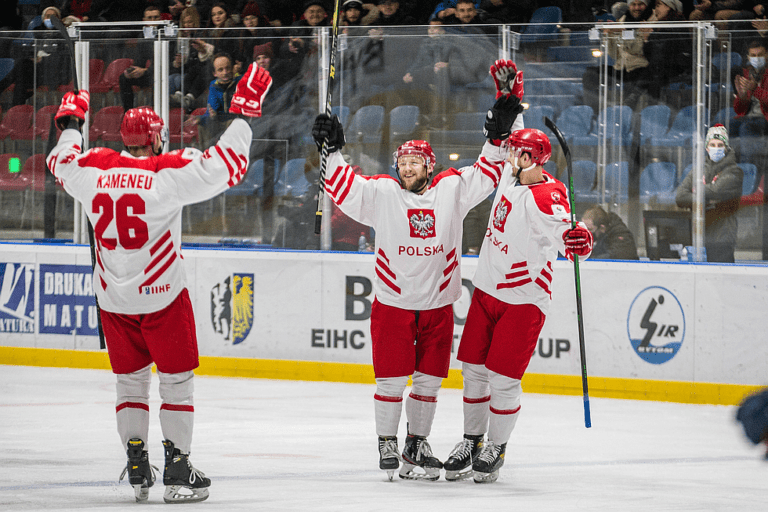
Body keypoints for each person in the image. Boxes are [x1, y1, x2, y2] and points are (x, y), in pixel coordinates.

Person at [46, 62, 272, 503]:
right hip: (163, 298)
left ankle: (136, 462)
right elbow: (226, 166)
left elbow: (60, 160)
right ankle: (178, 470)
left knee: (129, 383)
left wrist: (71, 123)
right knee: (176, 382)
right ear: (154, 138)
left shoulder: (92, 171)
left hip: (113, 299)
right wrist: (243, 113)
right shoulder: (166, 173)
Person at [311, 59, 525, 481]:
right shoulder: (382, 193)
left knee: (428, 382)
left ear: (429, 166)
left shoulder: (451, 188)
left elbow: (487, 173)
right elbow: (343, 189)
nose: (407, 167)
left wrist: (498, 134)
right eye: (402, 161)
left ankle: (416, 442)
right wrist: (332, 152)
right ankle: (387, 443)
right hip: (392, 304)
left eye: (415, 162)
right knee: (390, 381)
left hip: (439, 306)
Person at [442, 128, 593, 484]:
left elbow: (566, 232)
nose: (508, 155)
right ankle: (472, 441)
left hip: (522, 301)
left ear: (527, 159)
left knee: (504, 379)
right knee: (474, 372)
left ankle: (496, 446)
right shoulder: (513, 175)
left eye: (514, 151)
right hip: (486, 290)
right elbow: (517, 129)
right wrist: (509, 96)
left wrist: (579, 240)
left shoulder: (547, 196)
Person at [675, 124, 743, 263]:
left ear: (726, 147)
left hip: (722, 238)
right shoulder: (698, 170)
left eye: (720, 145)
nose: (716, 148)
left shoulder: (734, 171)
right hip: (698, 236)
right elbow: (680, 197)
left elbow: (716, 190)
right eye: (712, 144)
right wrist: (707, 198)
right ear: (706, 147)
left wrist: (697, 190)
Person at [119, 5, 163, 112]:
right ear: (144, 20)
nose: (153, 20)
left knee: (155, 77)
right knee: (124, 78)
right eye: (150, 18)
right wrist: (133, 70)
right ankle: (128, 112)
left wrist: (145, 71)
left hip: (163, 73)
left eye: (156, 17)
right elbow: (140, 61)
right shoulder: (142, 36)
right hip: (149, 73)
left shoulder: (165, 35)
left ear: (160, 19)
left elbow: (165, 63)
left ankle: (156, 111)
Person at [734, 40, 768, 122]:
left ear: (766, 55)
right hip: (748, 117)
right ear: (748, 57)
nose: (756, 58)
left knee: (744, 128)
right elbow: (739, 111)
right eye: (753, 55)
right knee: (720, 126)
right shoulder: (747, 74)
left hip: (764, 119)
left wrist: (755, 89)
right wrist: (742, 96)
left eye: (760, 55)